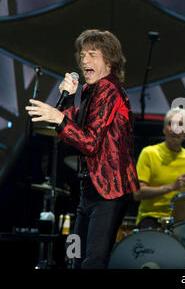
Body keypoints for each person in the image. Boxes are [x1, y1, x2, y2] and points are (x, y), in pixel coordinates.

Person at [26, 29, 139, 269]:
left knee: (93, 261)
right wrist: (67, 100)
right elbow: (74, 137)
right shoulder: (91, 92)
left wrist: (59, 118)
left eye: (92, 55)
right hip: (89, 189)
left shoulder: (108, 90)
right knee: (76, 258)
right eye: (82, 54)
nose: (84, 60)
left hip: (109, 191)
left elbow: (89, 143)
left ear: (108, 61)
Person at [133, 107, 185, 230]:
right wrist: (171, 187)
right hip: (150, 218)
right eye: (171, 124)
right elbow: (137, 194)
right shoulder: (149, 153)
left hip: (180, 221)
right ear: (164, 129)